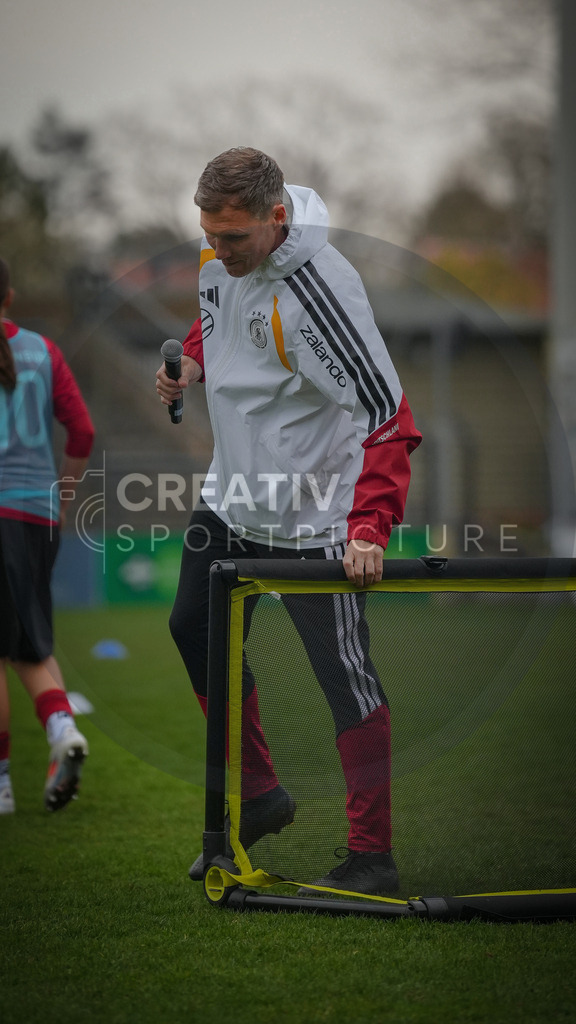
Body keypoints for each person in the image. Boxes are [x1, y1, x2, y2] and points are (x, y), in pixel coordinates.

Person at [156, 148, 422, 895]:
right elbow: (218, 322)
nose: (219, 249)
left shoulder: (327, 291)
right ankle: (262, 795)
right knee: (191, 629)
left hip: (317, 520)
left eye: (233, 237)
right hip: (231, 498)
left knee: (347, 682)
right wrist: (193, 367)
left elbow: (390, 418)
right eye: (208, 233)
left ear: (277, 219)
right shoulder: (223, 261)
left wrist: (369, 526)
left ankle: (372, 855)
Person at [0, 257, 95, 814]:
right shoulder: (44, 350)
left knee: (7, 651)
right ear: (9, 295)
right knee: (30, 640)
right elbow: (81, 429)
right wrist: (63, 492)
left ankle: (5, 783)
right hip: (39, 517)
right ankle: (60, 728)